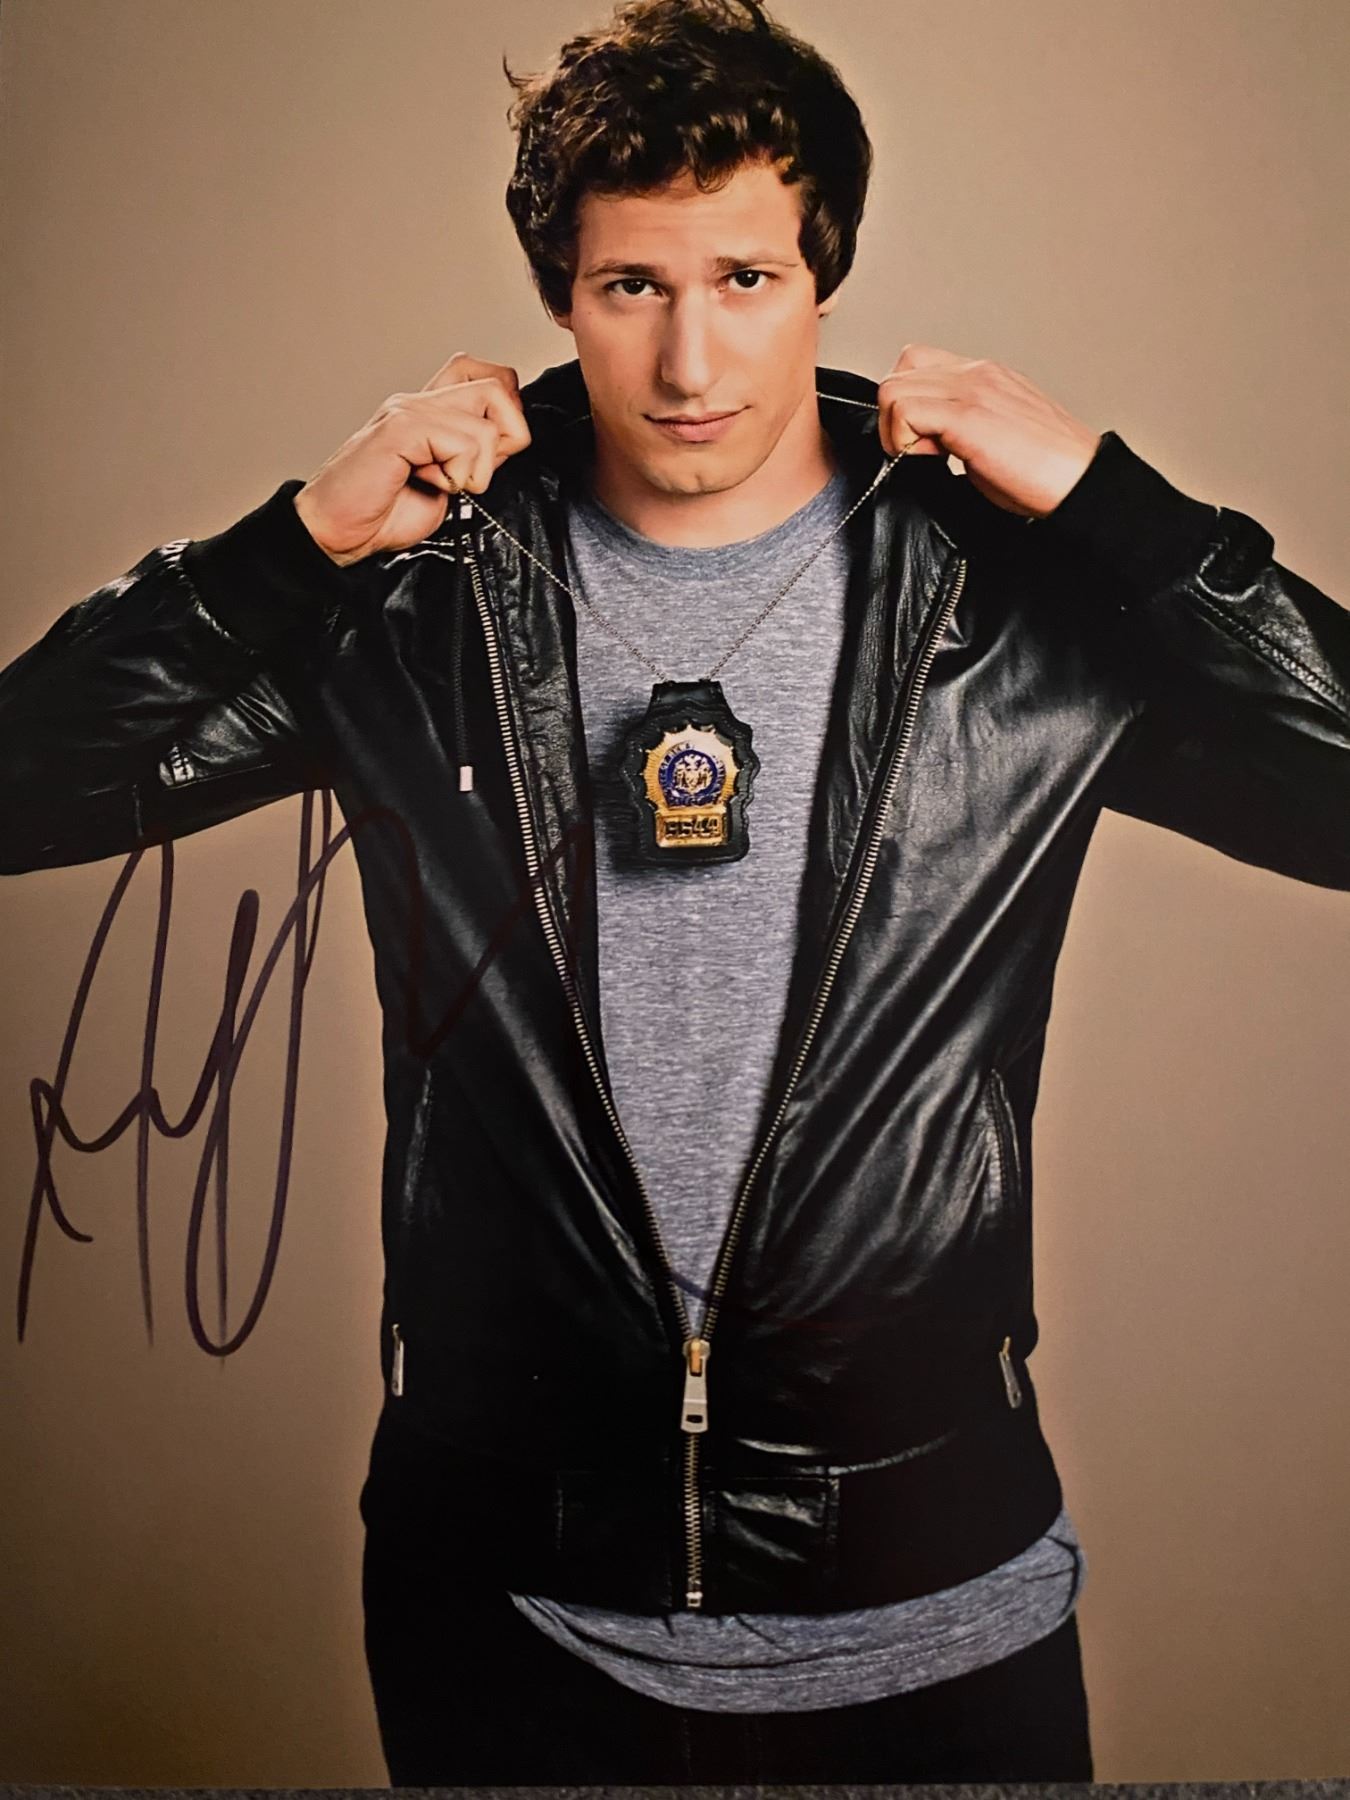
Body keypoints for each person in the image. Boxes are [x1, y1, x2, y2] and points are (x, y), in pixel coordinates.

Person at [3, 0, 1348, 1783]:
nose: (690, 358)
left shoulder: (1011, 607)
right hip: (513, 1607)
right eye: (633, 285)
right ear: (561, 294)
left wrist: (1124, 514)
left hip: (940, 1594)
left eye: (745, 279)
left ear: (823, 277)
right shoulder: (416, 606)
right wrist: (293, 545)